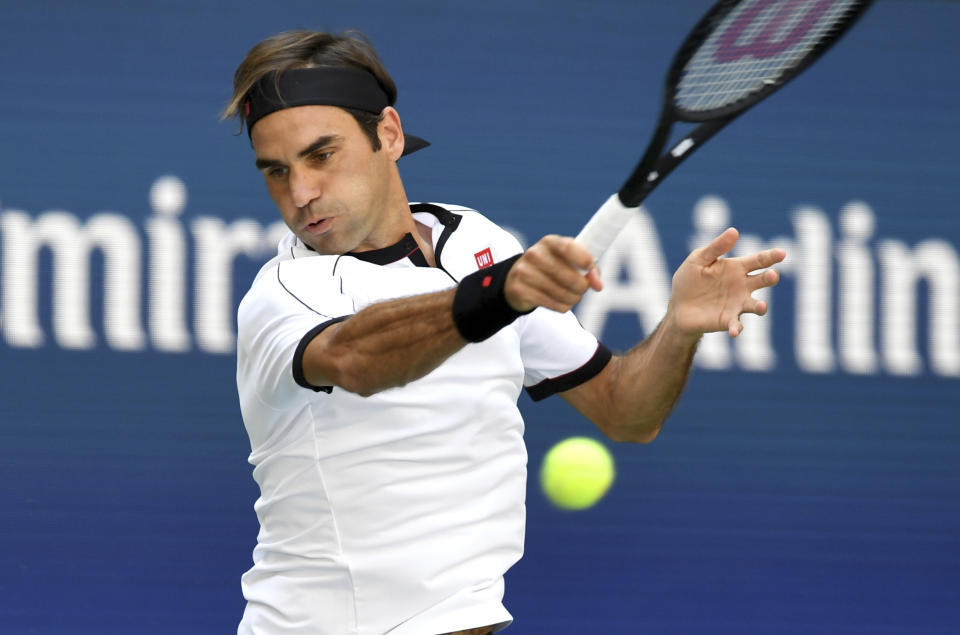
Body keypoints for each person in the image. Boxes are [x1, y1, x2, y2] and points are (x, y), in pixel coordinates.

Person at [224, 30, 785, 635]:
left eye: (321, 155)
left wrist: (680, 326)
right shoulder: (282, 293)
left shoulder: (477, 242)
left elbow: (626, 411)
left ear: (387, 133)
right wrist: (500, 293)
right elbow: (356, 358)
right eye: (276, 171)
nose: (300, 193)